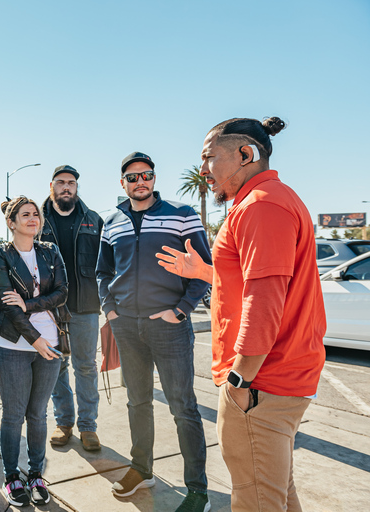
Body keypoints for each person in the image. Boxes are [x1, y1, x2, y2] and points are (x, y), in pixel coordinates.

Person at [156, 117, 326, 511]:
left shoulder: (261, 206)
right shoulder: (270, 200)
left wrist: (239, 380)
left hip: (260, 384)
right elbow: (253, 284)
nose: (202, 171)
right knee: (277, 493)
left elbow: (264, 302)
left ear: (245, 154)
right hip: (275, 382)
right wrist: (202, 272)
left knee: (255, 501)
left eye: (209, 158)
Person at [97, 152, 212, 511]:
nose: (139, 182)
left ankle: (197, 490)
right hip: (127, 326)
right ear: (123, 184)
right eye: (132, 178)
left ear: (154, 178)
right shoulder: (111, 221)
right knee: (137, 402)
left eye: (145, 175)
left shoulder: (182, 215)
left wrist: (181, 311)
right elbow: (102, 272)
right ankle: (141, 468)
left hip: (169, 328)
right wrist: (110, 310)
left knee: (183, 408)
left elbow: (204, 269)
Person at [0, 196, 69, 507]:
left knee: (38, 414)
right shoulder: (0, 255)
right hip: (12, 346)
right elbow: (8, 307)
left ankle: (36, 474)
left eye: (36, 214)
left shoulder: (50, 251)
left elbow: (62, 292)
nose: (33, 218)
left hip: (51, 343)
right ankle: (11, 476)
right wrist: (35, 339)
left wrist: (31, 304)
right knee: (13, 414)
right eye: (25, 215)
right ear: (12, 222)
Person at [40, 165, 104, 451]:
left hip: (85, 306)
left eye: (72, 183)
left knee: (86, 367)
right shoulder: (38, 219)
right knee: (55, 366)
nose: (67, 187)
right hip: (49, 309)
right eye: (61, 182)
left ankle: (88, 426)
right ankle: (64, 422)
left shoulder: (93, 220)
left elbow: (107, 263)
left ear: (77, 188)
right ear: (52, 186)